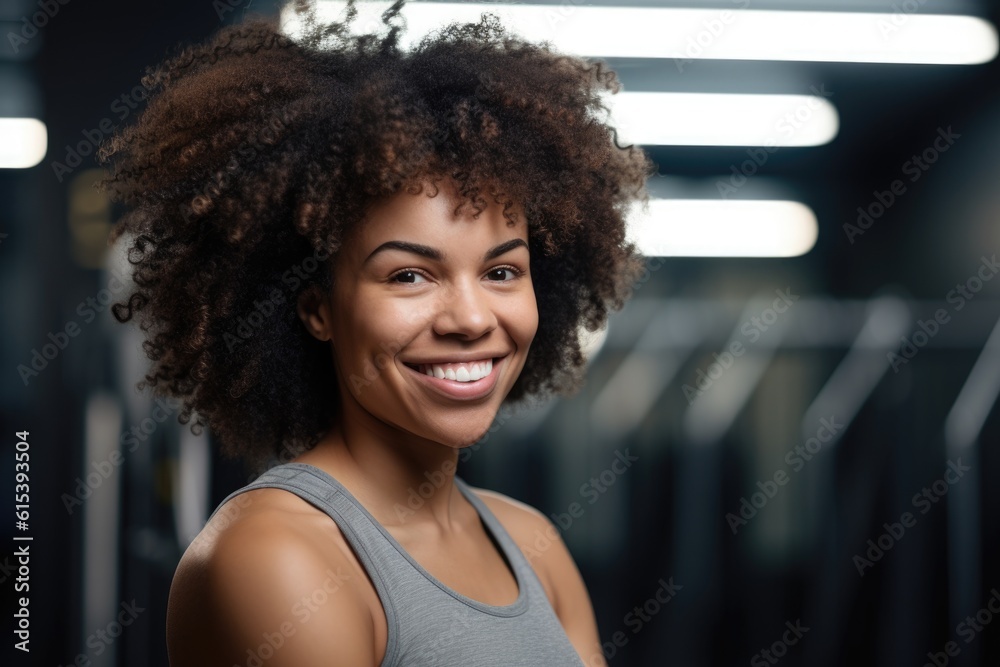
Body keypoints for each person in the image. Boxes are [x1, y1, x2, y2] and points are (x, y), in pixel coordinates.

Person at [97, 0, 654, 664]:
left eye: (502, 270)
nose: (473, 318)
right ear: (317, 308)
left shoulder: (532, 541)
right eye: (410, 277)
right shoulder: (274, 554)